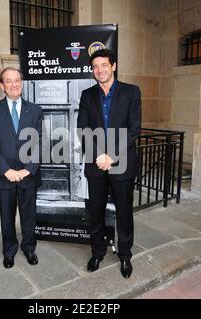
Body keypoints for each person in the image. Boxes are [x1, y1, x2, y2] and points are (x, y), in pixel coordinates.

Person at [77, 49, 141, 278]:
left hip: (121, 162)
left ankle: (125, 255)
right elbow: (82, 129)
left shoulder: (131, 92)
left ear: (113, 66)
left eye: (104, 65)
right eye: (95, 67)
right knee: (95, 212)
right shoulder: (87, 95)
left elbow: (134, 129)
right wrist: (98, 156)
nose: (99, 70)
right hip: (95, 163)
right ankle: (97, 252)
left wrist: (111, 156)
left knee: (124, 211)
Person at [0, 67, 43, 269]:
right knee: (6, 216)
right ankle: (9, 251)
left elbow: (40, 142)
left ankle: (29, 248)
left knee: (28, 215)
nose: (14, 84)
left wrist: (28, 169)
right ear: (2, 85)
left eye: (17, 80)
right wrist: (5, 169)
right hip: (3, 175)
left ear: (22, 83)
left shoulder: (35, 110)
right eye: (9, 81)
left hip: (28, 174)